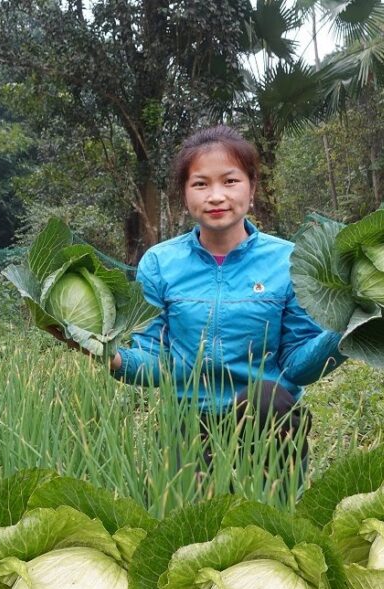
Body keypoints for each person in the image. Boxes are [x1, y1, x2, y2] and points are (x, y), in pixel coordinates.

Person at [55, 125, 345, 471]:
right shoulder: (160, 263)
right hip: (190, 421)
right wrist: (112, 357)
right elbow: (156, 359)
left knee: (267, 397)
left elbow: (298, 364)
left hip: (267, 420)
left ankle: (275, 491)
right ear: (184, 194)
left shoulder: (288, 261)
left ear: (252, 187)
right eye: (201, 184)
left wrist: (347, 332)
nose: (216, 196)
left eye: (230, 181)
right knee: (185, 506)